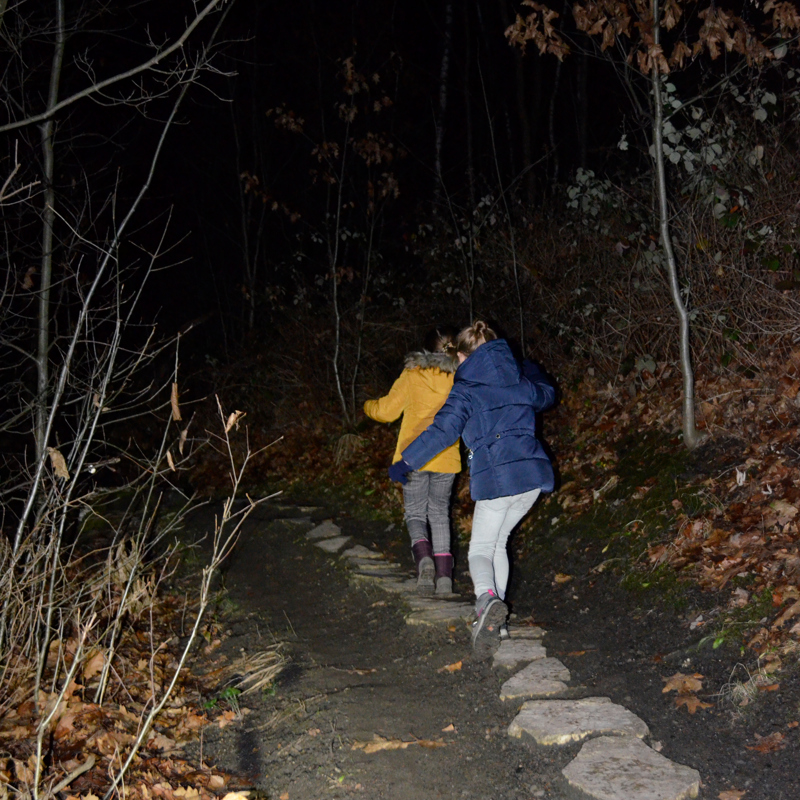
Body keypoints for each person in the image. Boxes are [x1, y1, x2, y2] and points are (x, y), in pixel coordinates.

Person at [388, 320, 555, 658]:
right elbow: (546, 394)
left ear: (463, 357)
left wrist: (406, 461)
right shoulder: (519, 379)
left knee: (480, 548)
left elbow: (442, 432)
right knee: (498, 543)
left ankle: (486, 603)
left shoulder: (466, 389)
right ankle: (500, 621)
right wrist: (530, 370)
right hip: (532, 479)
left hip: (499, 478)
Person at [364, 327, 461, 595]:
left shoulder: (412, 374)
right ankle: (444, 578)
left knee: (415, 513)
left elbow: (386, 411)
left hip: (413, 456)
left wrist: (367, 406)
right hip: (447, 457)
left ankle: (425, 560)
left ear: (426, 350)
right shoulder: (459, 377)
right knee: (440, 514)